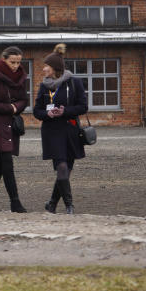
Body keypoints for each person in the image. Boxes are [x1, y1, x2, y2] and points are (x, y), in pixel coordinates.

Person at [33, 51, 88, 214]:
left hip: (70, 132)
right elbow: (36, 111)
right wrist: (47, 114)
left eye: (46, 66)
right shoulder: (44, 86)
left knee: (65, 171)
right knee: (62, 168)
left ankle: (51, 204)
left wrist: (65, 111)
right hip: (52, 133)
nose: (44, 69)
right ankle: (69, 205)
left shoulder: (74, 83)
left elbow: (83, 107)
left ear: (55, 68)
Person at [0, 46, 29, 213]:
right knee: (6, 162)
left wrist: (15, 108)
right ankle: (15, 202)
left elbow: (24, 99)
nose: (15, 65)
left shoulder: (21, 76)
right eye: (12, 62)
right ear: (4, 59)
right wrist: (11, 108)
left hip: (11, 124)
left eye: (18, 62)